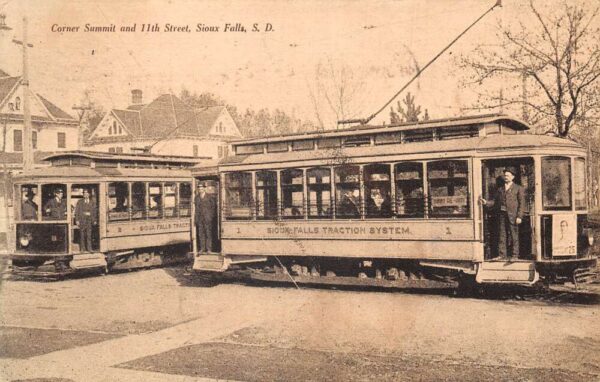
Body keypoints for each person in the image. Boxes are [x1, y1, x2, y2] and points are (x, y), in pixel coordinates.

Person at [480, 167, 526, 261]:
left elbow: (522, 204)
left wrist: (519, 216)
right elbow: (495, 202)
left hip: (513, 215)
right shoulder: (500, 189)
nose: (506, 177)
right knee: (502, 234)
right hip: (502, 215)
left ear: (512, 177)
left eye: (508, 175)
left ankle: (515, 255)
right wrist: (486, 202)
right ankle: (502, 255)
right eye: (505, 175)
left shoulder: (518, 188)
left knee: (514, 235)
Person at [195, 182, 217, 254]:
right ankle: (202, 248)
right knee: (201, 233)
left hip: (208, 218)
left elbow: (213, 207)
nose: (200, 189)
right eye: (199, 188)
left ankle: (209, 249)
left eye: (202, 188)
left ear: (204, 188)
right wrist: (196, 219)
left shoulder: (210, 197)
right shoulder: (197, 197)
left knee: (208, 233)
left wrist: (210, 216)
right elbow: (196, 209)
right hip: (200, 219)